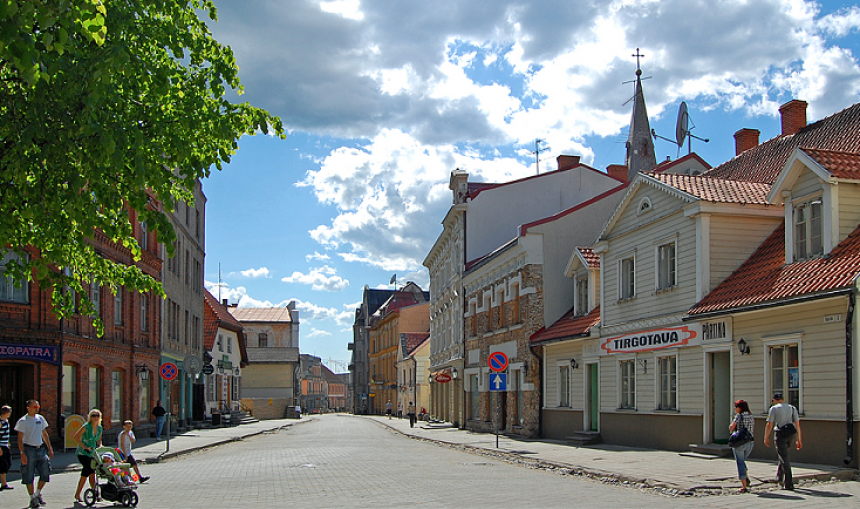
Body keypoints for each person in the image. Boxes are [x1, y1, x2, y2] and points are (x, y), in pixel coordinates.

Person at [15, 400, 54, 508]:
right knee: (29, 474)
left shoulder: (40, 418)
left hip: (40, 449)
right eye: (35, 407)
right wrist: (22, 453)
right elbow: (19, 439)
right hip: (28, 449)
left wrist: (50, 448)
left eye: (38, 406)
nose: (37, 408)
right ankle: (32, 498)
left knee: (45, 472)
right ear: (28, 408)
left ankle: (37, 493)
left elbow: (44, 434)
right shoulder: (23, 421)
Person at [764, 393, 802, 491]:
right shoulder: (792, 408)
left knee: (784, 457)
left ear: (775, 400)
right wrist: (799, 439)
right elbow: (797, 424)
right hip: (791, 433)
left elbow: (769, 424)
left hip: (780, 433)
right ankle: (779, 477)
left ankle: (788, 483)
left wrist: (766, 437)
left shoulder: (774, 409)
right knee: (784, 454)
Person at [73, 409, 103, 505]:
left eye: (97, 415)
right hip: (83, 453)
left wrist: (101, 447)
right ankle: (95, 492)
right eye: (93, 415)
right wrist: (85, 447)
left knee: (85, 474)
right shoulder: (86, 426)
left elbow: (98, 441)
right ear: (90, 417)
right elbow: (76, 437)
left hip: (92, 453)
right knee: (91, 471)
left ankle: (77, 494)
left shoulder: (99, 428)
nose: (95, 417)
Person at [729, 399, 755, 493]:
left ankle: (744, 486)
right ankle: (746, 477)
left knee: (740, 463)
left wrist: (733, 430)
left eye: (736, 407)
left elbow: (731, 427)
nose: (735, 409)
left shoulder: (739, 416)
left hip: (740, 443)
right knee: (742, 461)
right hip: (750, 442)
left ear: (740, 408)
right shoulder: (751, 415)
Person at [0, 405, 13, 491]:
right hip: (1, 446)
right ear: (7, 413)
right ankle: (4, 484)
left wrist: (7, 442)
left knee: (7, 463)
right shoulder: (0, 422)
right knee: (3, 465)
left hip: (5, 445)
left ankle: (4, 483)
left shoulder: (6, 421)